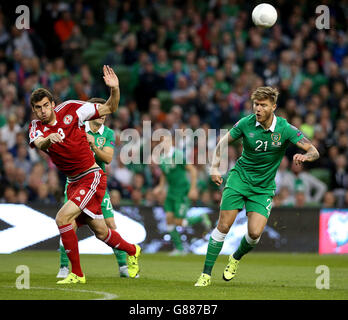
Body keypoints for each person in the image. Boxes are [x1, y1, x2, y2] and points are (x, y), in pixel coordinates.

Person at [194, 86, 320, 287]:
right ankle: (205, 275)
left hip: (263, 188)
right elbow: (222, 143)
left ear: (273, 107)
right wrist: (214, 168)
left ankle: (235, 258)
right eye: (256, 104)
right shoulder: (246, 123)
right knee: (223, 226)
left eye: (263, 105)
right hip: (239, 180)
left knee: (254, 234)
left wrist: (305, 156)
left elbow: (314, 150)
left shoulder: (285, 129)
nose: (258, 109)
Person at [29, 65, 141, 284]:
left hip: (91, 176)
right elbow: (38, 143)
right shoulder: (36, 128)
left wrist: (115, 89)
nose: (42, 111)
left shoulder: (72, 109)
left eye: (45, 106)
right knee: (101, 231)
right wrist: (47, 141)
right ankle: (132, 249)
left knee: (62, 219)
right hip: (73, 182)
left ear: (53, 104)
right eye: (37, 108)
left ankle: (76, 274)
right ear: (34, 110)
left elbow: (110, 108)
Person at [57, 98, 130, 279]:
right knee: (69, 224)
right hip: (75, 183)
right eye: (100, 112)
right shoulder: (77, 128)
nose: (104, 115)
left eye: (105, 113)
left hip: (97, 184)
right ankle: (64, 267)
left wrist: (93, 145)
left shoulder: (109, 134)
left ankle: (123, 266)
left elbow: (107, 158)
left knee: (110, 224)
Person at [153, 135, 211, 256]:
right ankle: (179, 248)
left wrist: (193, 189)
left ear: (172, 142)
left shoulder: (178, 155)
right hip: (171, 193)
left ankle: (201, 217)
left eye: (167, 141)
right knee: (169, 219)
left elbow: (193, 170)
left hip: (182, 192)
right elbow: (164, 173)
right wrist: (160, 186)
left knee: (178, 222)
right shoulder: (163, 158)